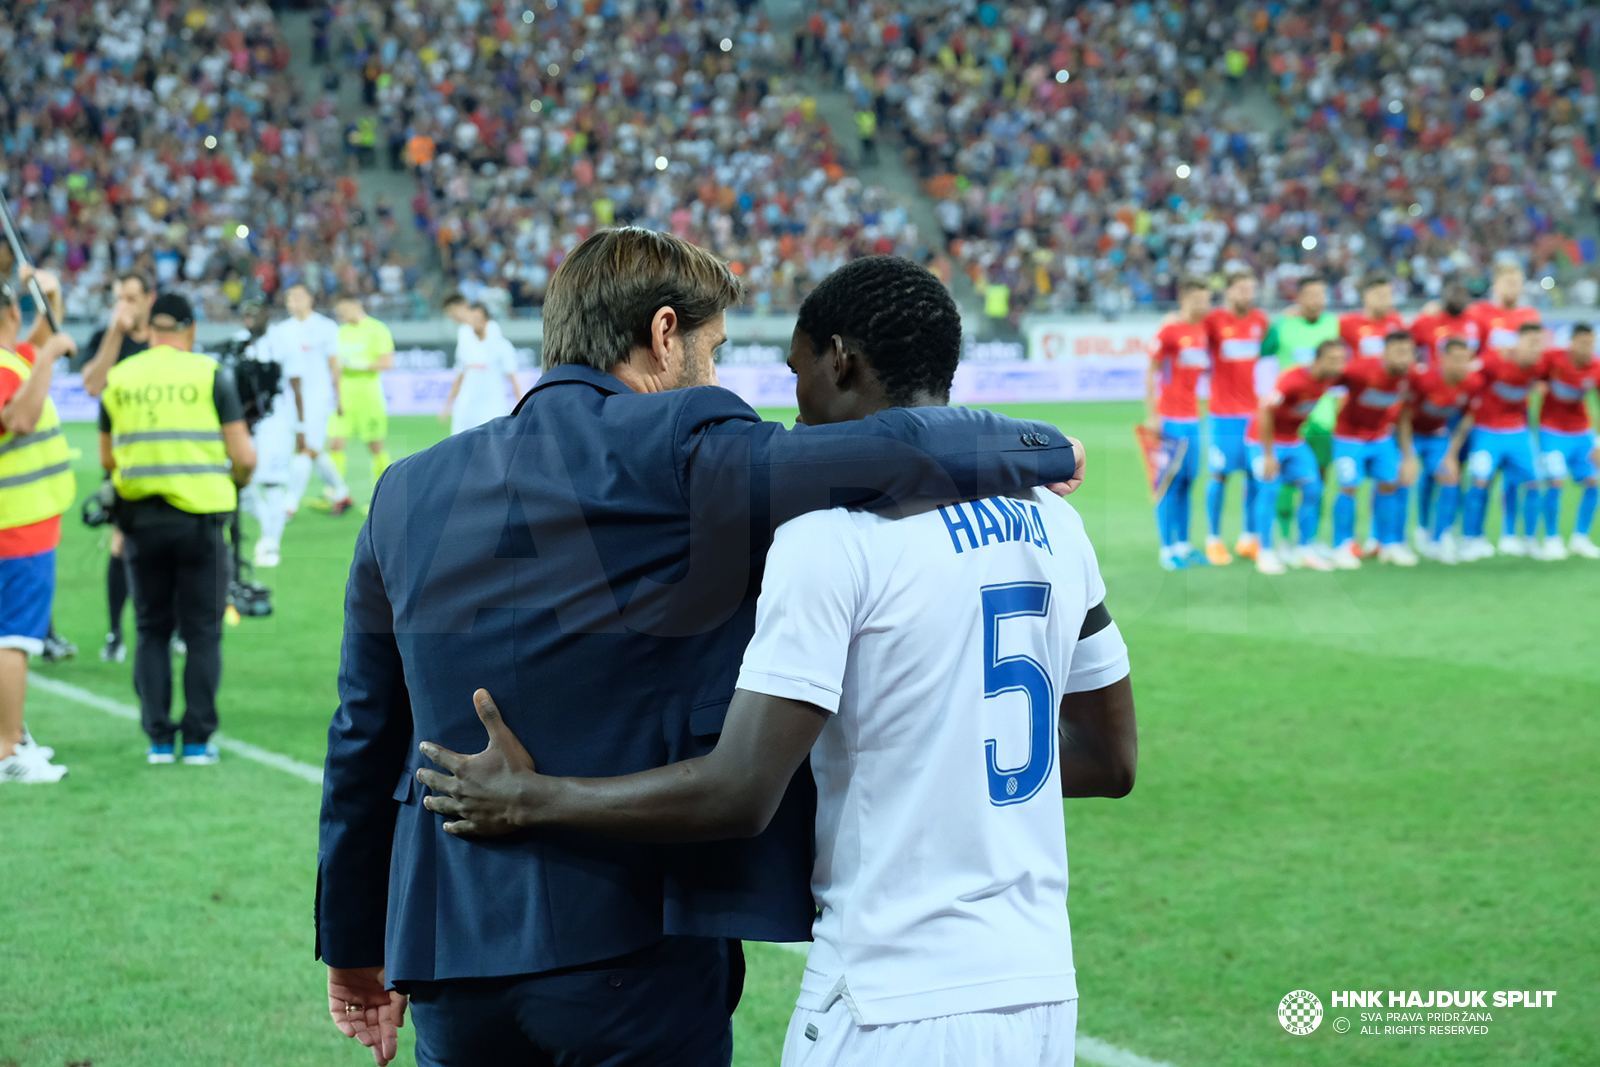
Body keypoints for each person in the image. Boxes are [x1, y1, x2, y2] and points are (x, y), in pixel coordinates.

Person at [315, 235, 1083, 1067]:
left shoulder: (405, 489)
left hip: (451, 957)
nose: (716, 378)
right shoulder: (679, 438)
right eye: (713, 351)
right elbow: (895, 450)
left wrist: (354, 948)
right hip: (632, 946)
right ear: (665, 332)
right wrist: (1043, 448)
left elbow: (363, 733)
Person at [98, 293, 256, 765]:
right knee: (203, 632)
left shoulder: (120, 378)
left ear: (149, 330)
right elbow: (244, 457)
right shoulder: (209, 374)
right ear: (189, 329)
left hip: (141, 522)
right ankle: (201, 739)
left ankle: (159, 739)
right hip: (200, 522)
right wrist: (231, 482)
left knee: (151, 630)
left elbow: (108, 458)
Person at [0, 271, 78, 783]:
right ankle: (7, 751)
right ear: (8, 313)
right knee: (15, 641)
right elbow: (18, 418)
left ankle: (12, 734)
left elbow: (40, 339)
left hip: (23, 522)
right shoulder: (8, 366)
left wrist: (47, 295)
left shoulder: (12, 358)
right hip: (18, 526)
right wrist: (49, 358)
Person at [79, 271, 157, 664]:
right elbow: (92, 384)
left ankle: (169, 627)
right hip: (124, 460)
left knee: (167, 544)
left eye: (130, 297)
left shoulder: (163, 339)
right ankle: (115, 631)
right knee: (121, 543)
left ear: (149, 298)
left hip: (166, 455)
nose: (124, 306)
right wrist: (114, 331)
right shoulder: (108, 339)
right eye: (118, 299)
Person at [1248, 338, 1347, 574]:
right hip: (1263, 440)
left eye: (1341, 359)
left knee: (1314, 489)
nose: (1338, 365)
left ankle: (1305, 548)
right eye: (1333, 359)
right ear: (1318, 360)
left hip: (1294, 440)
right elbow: (1265, 411)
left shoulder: (1330, 379)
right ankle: (1267, 552)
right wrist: (1268, 454)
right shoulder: (1292, 380)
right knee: (1269, 490)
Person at [1449, 321, 1546, 561]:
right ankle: (1471, 538)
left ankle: (1530, 539)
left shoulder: (1540, 365)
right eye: (1531, 343)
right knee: (1479, 481)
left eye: (1539, 344)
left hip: (1518, 432)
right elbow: (1467, 374)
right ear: (1518, 343)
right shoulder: (1493, 360)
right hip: (1486, 431)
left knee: (1535, 482)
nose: (1536, 349)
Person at [1259, 277, 1341, 542]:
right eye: (1311, 295)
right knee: (1283, 481)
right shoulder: (1283, 326)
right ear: (1299, 298)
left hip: (1323, 416)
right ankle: (1281, 535)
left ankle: (1310, 538)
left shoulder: (1334, 324)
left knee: (1318, 480)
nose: (1317, 300)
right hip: (1289, 418)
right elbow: (1258, 352)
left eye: (1322, 294)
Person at [1330, 330, 1420, 568]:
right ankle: (1342, 545)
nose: (1404, 358)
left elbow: (1403, 416)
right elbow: (1328, 379)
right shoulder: (1358, 370)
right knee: (1348, 486)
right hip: (1349, 437)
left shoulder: (1410, 378)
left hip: (1381, 437)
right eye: (1399, 352)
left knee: (1390, 484)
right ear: (1385, 353)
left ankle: (1387, 544)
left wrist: (1408, 456)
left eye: (1409, 352)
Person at [1201, 271, 1268, 565]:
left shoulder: (1260, 322)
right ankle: (1214, 539)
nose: (1246, 294)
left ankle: (1249, 537)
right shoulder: (1213, 321)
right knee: (1219, 475)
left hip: (1252, 414)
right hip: (1223, 415)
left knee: (1256, 476)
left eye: (1250, 288)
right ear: (1228, 291)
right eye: (1241, 289)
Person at [1144, 277, 1211, 569]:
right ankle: (1166, 549)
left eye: (1206, 299)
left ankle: (1184, 545)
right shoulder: (1170, 330)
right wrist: (1153, 414)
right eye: (1198, 300)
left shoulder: (1202, 331)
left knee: (1188, 482)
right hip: (1170, 419)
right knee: (1168, 484)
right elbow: (1151, 372)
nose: (1203, 305)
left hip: (1193, 419)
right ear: (1184, 300)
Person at [277, 285, 354, 518]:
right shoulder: (281, 330)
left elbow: (334, 364)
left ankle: (288, 505)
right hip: (290, 398)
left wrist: (338, 396)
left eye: (299, 297)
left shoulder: (325, 327)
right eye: (290, 297)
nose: (294, 302)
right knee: (312, 449)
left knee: (305, 448)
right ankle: (342, 493)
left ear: (310, 299)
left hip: (319, 397)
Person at [1403, 337, 1482, 562]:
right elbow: (1404, 417)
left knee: (1449, 476)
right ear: (1442, 359)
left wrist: (1452, 455)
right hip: (1411, 435)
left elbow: (1466, 419)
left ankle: (1440, 537)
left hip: (1438, 436)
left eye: (1465, 360)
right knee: (1402, 478)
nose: (1461, 365)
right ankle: (1399, 538)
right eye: (1455, 359)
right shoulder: (1423, 381)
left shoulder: (1472, 383)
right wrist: (1408, 455)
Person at [1532, 323, 1600, 559]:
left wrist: (1598, 442)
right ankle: (1552, 539)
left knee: (1593, 482)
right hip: (1552, 431)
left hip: (1581, 432)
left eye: (1591, 344)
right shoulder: (1553, 359)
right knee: (1555, 481)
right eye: (1583, 343)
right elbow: (1532, 377)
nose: (1588, 348)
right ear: (1571, 342)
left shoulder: (1595, 368)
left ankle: (1581, 538)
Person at [235, 303, 293, 568]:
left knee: (272, 483)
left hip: (276, 421)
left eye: (254, 313)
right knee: (240, 481)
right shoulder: (238, 342)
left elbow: (296, 382)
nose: (249, 319)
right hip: (246, 423)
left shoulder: (281, 341)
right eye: (246, 314)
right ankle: (267, 529)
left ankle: (271, 543)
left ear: (266, 315)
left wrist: (301, 425)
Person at [327, 295, 395, 492]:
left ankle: (384, 494)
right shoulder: (340, 332)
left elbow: (387, 362)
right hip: (344, 398)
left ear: (356, 305)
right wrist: (336, 396)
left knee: (375, 446)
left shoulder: (377, 329)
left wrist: (361, 364)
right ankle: (335, 493)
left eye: (343, 311)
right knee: (335, 444)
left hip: (368, 398)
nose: (341, 316)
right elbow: (335, 367)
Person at [440, 294, 519, 434]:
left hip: (492, 406)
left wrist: (521, 406)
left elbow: (512, 377)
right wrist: (448, 405)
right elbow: (460, 373)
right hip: (466, 405)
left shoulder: (499, 341)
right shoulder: (464, 334)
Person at [1409, 284, 1481, 366]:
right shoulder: (1431, 320)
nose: (1457, 299)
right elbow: (1406, 342)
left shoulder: (1475, 320)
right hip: (1438, 374)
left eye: (1461, 295)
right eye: (1454, 295)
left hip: (1468, 374)